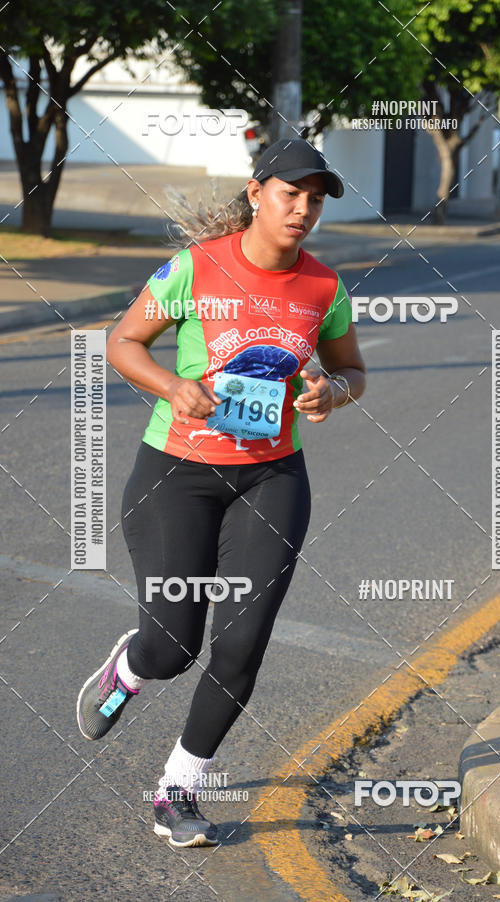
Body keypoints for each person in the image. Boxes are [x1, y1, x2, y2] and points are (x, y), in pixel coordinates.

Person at [76, 138, 367, 848]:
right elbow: (123, 342)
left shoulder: (324, 288)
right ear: (256, 191)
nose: (303, 210)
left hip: (273, 478)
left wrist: (334, 392)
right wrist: (175, 386)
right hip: (177, 472)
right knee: (174, 646)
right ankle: (131, 666)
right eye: (290, 193)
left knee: (240, 647)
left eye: (316, 199)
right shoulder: (194, 270)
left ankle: (178, 788)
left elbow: (352, 370)